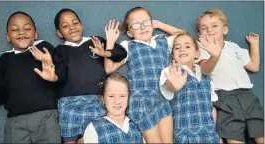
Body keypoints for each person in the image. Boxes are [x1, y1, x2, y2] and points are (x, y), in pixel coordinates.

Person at [30, 8, 127, 143]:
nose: (72, 28)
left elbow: (121, 53)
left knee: (99, 137)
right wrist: (54, 78)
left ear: (81, 25)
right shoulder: (59, 51)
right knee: (69, 140)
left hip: (97, 101)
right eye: (65, 26)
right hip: (69, 104)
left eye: (75, 23)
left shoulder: (95, 41)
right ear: (59, 33)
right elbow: (61, 75)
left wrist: (105, 52)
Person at [106, 6, 183, 143]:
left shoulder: (163, 40)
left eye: (146, 22)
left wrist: (159, 25)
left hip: (163, 98)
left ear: (152, 24)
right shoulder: (129, 46)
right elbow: (109, 68)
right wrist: (110, 42)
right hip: (141, 101)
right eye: (136, 25)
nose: (142, 27)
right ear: (130, 32)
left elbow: (182, 36)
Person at [0, 11, 61, 143]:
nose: (21, 32)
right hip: (15, 121)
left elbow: (63, 73)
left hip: (46, 116)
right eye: (14, 29)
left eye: (27, 28)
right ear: (7, 37)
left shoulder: (44, 48)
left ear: (35, 34)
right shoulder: (3, 60)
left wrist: (54, 77)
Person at [196, 8, 264, 143]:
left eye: (214, 25)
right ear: (200, 34)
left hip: (247, 95)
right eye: (204, 28)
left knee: (260, 128)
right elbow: (205, 70)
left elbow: (254, 66)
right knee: (233, 133)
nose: (209, 29)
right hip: (224, 98)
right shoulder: (202, 49)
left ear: (225, 30)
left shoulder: (234, 47)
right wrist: (215, 55)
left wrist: (254, 45)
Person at [160, 31, 220, 143]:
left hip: (210, 136)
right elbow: (170, 87)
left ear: (197, 54)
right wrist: (174, 85)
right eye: (177, 48)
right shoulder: (170, 71)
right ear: (172, 54)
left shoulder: (205, 74)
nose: (182, 49)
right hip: (185, 136)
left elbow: (211, 106)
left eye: (187, 46)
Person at [83, 72, 144, 143]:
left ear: (128, 97)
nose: (117, 101)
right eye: (111, 96)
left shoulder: (138, 126)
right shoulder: (93, 128)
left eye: (122, 96)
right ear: (103, 99)